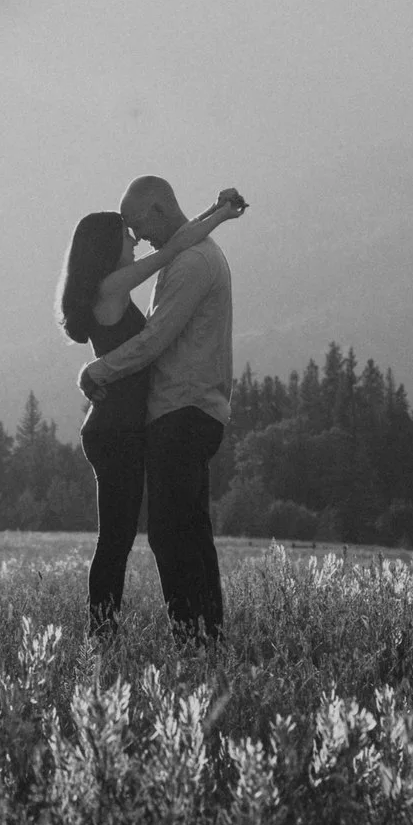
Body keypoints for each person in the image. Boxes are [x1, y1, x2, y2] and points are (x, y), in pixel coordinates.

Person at [57, 185, 247, 635]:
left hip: (130, 425)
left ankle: (192, 633)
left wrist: (215, 213)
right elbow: (175, 245)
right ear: (109, 247)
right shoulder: (115, 284)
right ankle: (118, 635)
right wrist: (220, 214)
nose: (137, 238)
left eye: (138, 225)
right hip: (116, 429)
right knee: (128, 538)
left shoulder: (139, 277)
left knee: (153, 534)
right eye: (128, 232)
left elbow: (178, 239)